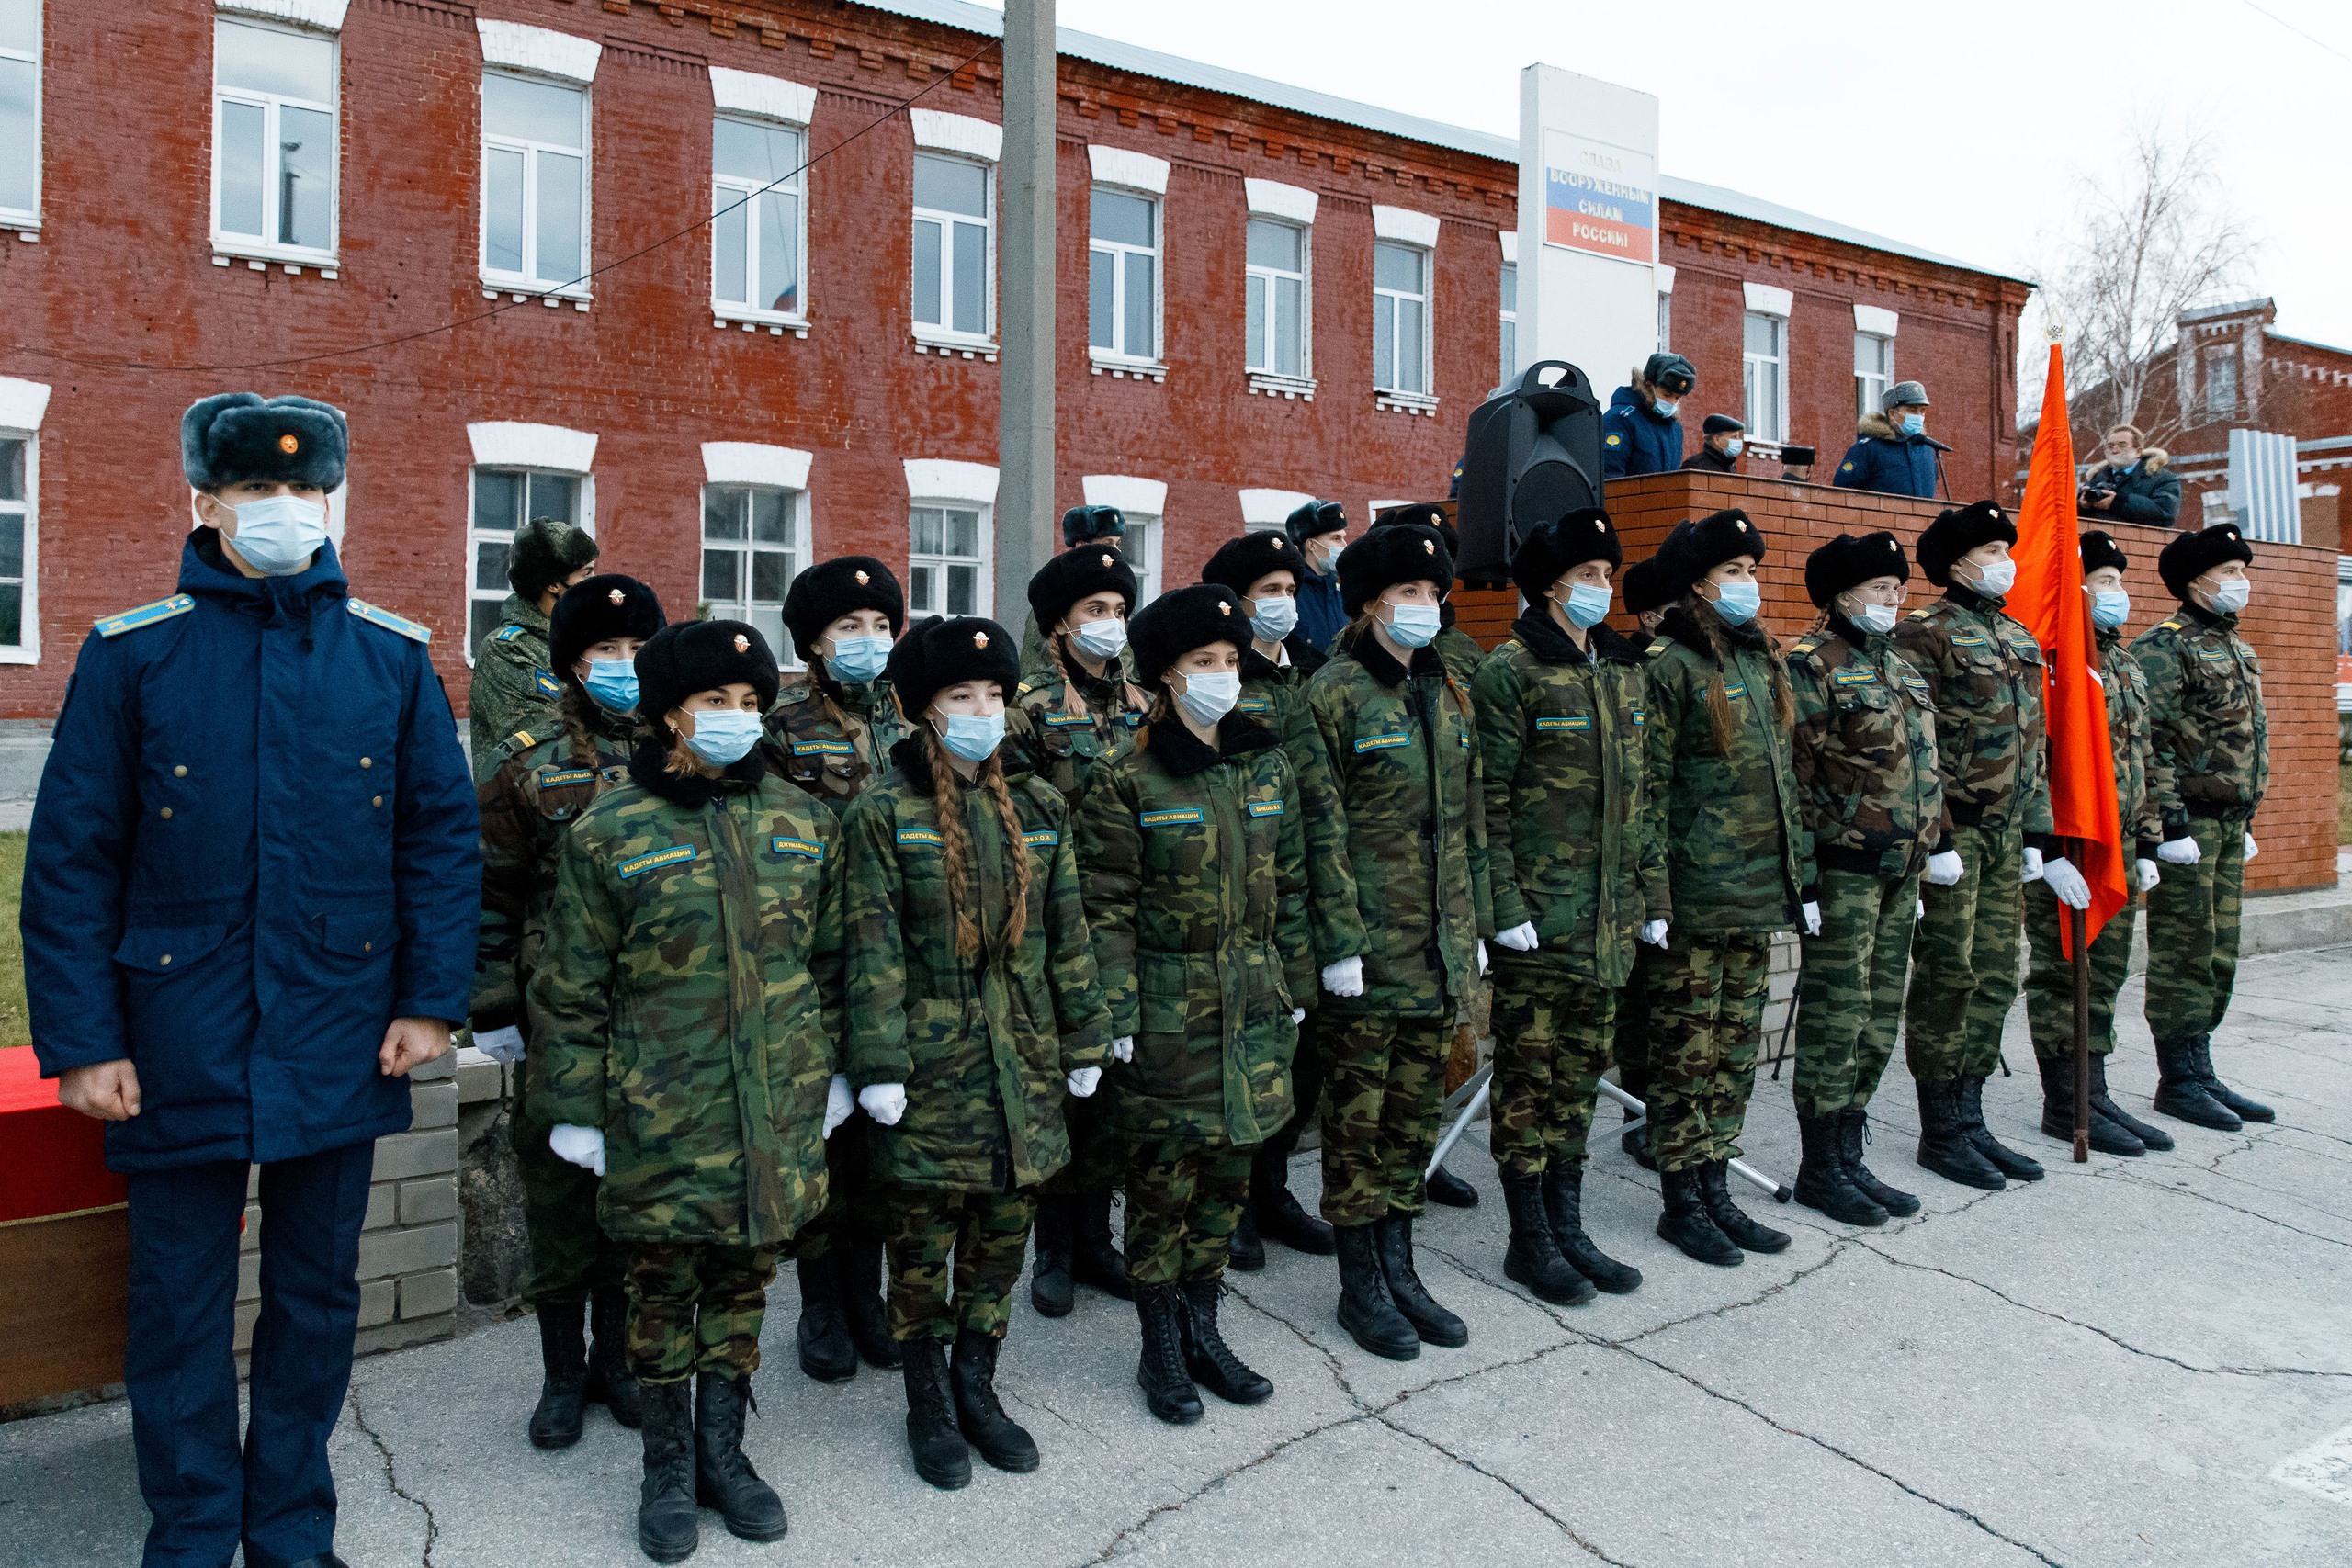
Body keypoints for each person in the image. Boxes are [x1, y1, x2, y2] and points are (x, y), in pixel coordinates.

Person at [23, 392, 480, 1568]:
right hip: (176, 1032)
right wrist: (84, 1041)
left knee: (317, 1298)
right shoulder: (133, 654)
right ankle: (188, 1532)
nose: (287, 510)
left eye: (307, 490)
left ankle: (288, 1529)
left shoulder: (389, 655)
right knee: (177, 1303)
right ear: (204, 502)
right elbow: (72, 857)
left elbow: (438, 838)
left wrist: (431, 1000)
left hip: (341, 1024)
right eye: (258, 490)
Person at [531, 618, 842, 1562]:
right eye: (715, 701)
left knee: (743, 1281)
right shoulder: (610, 829)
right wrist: (576, 1111)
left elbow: (833, 965)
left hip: (772, 1106)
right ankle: (665, 1469)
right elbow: (571, 987)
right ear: (671, 712)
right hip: (660, 1110)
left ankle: (723, 1455)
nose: (736, 717)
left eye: (750, 702)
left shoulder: (804, 821)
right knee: (662, 1293)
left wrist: (831, 1073)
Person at [839, 615, 1113, 1489]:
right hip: (932, 1068)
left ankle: (977, 1385)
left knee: (1000, 1237)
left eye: (995, 694)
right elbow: (870, 950)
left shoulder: (1038, 807)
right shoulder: (884, 813)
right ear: (924, 708)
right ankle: (927, 1400)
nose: (983, 710)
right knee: (923, 1247)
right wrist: (879, 1066)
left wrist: (1085, 1036)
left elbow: (1069, 935)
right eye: (963, 695)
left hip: (1023, 1061)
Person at [1080, 583, 1311, 1423]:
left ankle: (1203, 1328)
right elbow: (1104, 909)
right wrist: (1119, 1015)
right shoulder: (1125, 780)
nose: (1223, 674)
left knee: (1226, 1179)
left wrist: (1295, 985)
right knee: (1162, 1187)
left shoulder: (1264, 764)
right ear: (1166, 675)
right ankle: (1161, 1346)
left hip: (1252, 1008)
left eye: (1230, 659)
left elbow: (1291, 885)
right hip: (1169, 1018)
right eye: (1203, 661)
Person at [473, 573, 664, 1450]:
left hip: (656, 1012)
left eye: (637, 649)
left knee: (630, 1186)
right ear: (571, 663)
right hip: (555, 1012)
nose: (624, 664)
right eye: (605, 650)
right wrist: (492, 1007)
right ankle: (560, 1373)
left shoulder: (678, 749)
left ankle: (617, 1362)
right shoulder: (527, 760)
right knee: (557, 1190)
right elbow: (489, 892)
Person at [1304, 522, 1492, 1360]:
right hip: (1369, 955)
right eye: (1408, 592)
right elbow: (1318, 832)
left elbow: (1467, 821)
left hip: (1436, 948)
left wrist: (1472, 925)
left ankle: (1400, 1266)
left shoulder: (1444, 687)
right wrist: (1339, 943)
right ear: (1370, 602)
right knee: (1358, 1121)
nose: (1426, 605)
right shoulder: (1333, 694)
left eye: (1433, 592)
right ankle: (1361, 1285)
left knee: (1415, 1116)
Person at [1474, 508, 1653, 1303]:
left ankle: (1568, 1226)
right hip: (1539, 922)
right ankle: (1529, 1239)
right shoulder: (1511, 671)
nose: (1602, 588)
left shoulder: (1618, 670)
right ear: (1551, 583)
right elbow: (1488, 801)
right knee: (1527, 1079)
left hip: (1606, 920)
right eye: (1588, 574)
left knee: (1579, 1075)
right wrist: (1503, 905)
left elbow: (1641, 797)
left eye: (1608, 575)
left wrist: (1648, 896)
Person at [1639, 510, 1808, 1266]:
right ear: (1697, 584)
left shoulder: (1759, 659)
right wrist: (1656, 898)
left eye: (1751, 570)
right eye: (1733, 572)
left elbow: (1783, 784)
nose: (1748, 583)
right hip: (1696, 899)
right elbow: (1647, 793)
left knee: (1736, 1049)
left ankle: (1717, 1187)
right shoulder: (1669, 666)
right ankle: (1682, 1201)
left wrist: (1797, 880)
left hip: (1756, 894)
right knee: (1688, 1052)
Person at [765, 555, 909, 1385]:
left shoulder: (914, 715)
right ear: (814, 641)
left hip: (898, 957)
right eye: (850, 626)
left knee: (883, 1139)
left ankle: (869, 1295)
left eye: (882, 625)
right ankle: (820, 1305)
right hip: (817, 959)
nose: (870, 639)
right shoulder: (782, 727)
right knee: (823, 1136)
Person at [1893, 501, 2052, 1191]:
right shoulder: (1922, 633)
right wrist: (1937, 835)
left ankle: (1971, 1115)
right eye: (1991, 551)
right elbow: (1911, 742)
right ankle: (1940, 1130)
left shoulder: (2017, 635)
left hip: (2008, 834)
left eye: (2004, 550)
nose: (2004, 562)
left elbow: (2034, 742)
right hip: (1955, 836)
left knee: (1995, 973)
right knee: (1948, 975)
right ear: (1956, 562)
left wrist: (2038, 829)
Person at [1783, 533, 1943, 1227]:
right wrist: (1804, 879)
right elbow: (1794, 778)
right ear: (1841, 594)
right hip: (1844, 870)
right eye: (1880, 588)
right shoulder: (1809, 665)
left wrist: (1934, 842)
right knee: (1837, 1015)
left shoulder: (1900, 666)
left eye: (1898, 588)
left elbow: (1926, 765)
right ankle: (1820, 1166)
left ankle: (1850, 1154)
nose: (1893, 599)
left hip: (1900, 868)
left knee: (1877, 1016)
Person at [1197, 530, 1341, 1269]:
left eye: (1291, 588)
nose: (1284, 602)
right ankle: (1234, 1204)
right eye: (1269, 592)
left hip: (1310, 887)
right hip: (1249, 892)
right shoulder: (1223, 683)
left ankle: (1275, 1189)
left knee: (1300, 1054)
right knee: (1245, 1048)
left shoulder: (1310, 673)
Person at [1007, 545, 1146, 1315]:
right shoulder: (1027, 708)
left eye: (1119, 610)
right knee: (1066, 1085)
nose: (1110, 623)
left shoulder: (1143, 703)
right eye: (1095, 610)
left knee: (1114, 1091)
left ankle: (1097, 1236)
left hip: (1126, 920)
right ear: (1059, 623)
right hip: (1058, 923)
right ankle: (1054, 1246)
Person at [2019, 532, 2176, 1155]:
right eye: (2104, 582)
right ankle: (2067, 1103)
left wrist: (2148, 842)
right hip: (2070, 846)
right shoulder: (2051, 661)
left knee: (2106, 971)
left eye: (2118, 580)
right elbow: (2039, 760)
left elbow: (2144, 757)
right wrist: (2050, 850)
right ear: (2075, 590)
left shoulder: (2123, 661)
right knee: (2066, 973)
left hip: (2117, 842)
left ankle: (2097, 1091)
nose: (2118, 592)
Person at [2133, 524, 2274, 1131]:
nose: (2241, 581)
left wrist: (2246, 817)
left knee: (2219, 951)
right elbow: (2152, 741)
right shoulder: (2166, 647)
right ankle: (2178, 1080)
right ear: (2197, 582)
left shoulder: (2233, 644)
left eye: (2243, 571)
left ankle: (2201, 1067)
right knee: (2185, 949)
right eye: (2230, 572)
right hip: (2188, 824)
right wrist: (2169, 826)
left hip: (2227, 824)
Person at [1611, 549, 1675, 1170]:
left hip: (1679, 861)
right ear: (1651, 616)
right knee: (1640, 1003)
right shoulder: (1636, 670)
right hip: (1639, 859)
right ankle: (1638, 1118)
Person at [470, 515, 601, 776]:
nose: (596, 582)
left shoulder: (584, 640)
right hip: (537, 795)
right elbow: (545, 749)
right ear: (553, 584)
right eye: (587, 573)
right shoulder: (506, 651)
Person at [1022, 504, 1133, 678]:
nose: (1114, 551)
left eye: (1117, 544)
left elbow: (1129, 665)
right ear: (1081, 546)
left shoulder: (1121, 596)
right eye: (1107, 544)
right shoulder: (1055, 599)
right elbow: (1033, 668)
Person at [1834, 381, 1946, 500]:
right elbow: (1841, 496)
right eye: (1912, 410)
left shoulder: (1927, 451)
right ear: (1892, 414)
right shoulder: (1868, 449)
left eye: (1922, 411)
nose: (1918, 416)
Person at [1602, 352, 1696, 479]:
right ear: (1648, 385)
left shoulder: (1675, 427)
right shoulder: (1620, 420)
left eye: (1677, 397)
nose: (1672, 403)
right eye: (1667, 395)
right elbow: (1610, 476)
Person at [1286, 498, 1351, 655]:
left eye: (1343, 537)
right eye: (1336, 538)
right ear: (1312, 545)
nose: (1344, 545)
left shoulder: (1341, 592)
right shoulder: (1291, 594)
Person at [2078, 426, 2180, 526]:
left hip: (2138, 537)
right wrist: (2082, 505)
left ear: (2138, 452)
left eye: (2122, 446)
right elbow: (2073, 514)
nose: (2115, 450)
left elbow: (2166, 514)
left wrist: (2118, 502)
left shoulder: (2162, 478)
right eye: (2110, 446)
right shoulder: (2097, 477)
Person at [1682, 414, 1747, 474]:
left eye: (1738, 437)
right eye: (1734, 437)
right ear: (1717, 440)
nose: (1738, 440)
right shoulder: (1695, 465)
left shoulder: (1730, 466)